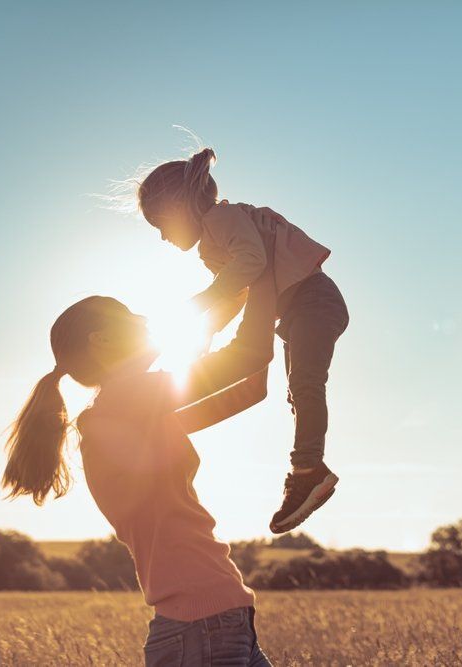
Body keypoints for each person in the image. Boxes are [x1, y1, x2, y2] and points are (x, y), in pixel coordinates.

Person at [1, 263, 278, 666]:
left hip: (220, 622)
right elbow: (244, 359)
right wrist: (266, 282)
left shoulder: (135, 408)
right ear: (102, 339)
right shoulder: (123, 403)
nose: (144, 319)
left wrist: (239, 305)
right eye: (129, 317)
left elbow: (249, 386)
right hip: (200, 626)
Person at [137, 147, 349, 533]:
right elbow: (240, 290)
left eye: (161, 225)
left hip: (312, 300)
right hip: (300, 309)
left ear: (180, 207)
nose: (164, 237)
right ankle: (308, 467)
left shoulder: (223, 217)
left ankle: (309, 470)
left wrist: (199, 304)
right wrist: (207, 329)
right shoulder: (214, 241)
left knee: (305, 386)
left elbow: (250, 264)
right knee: (298, 393)